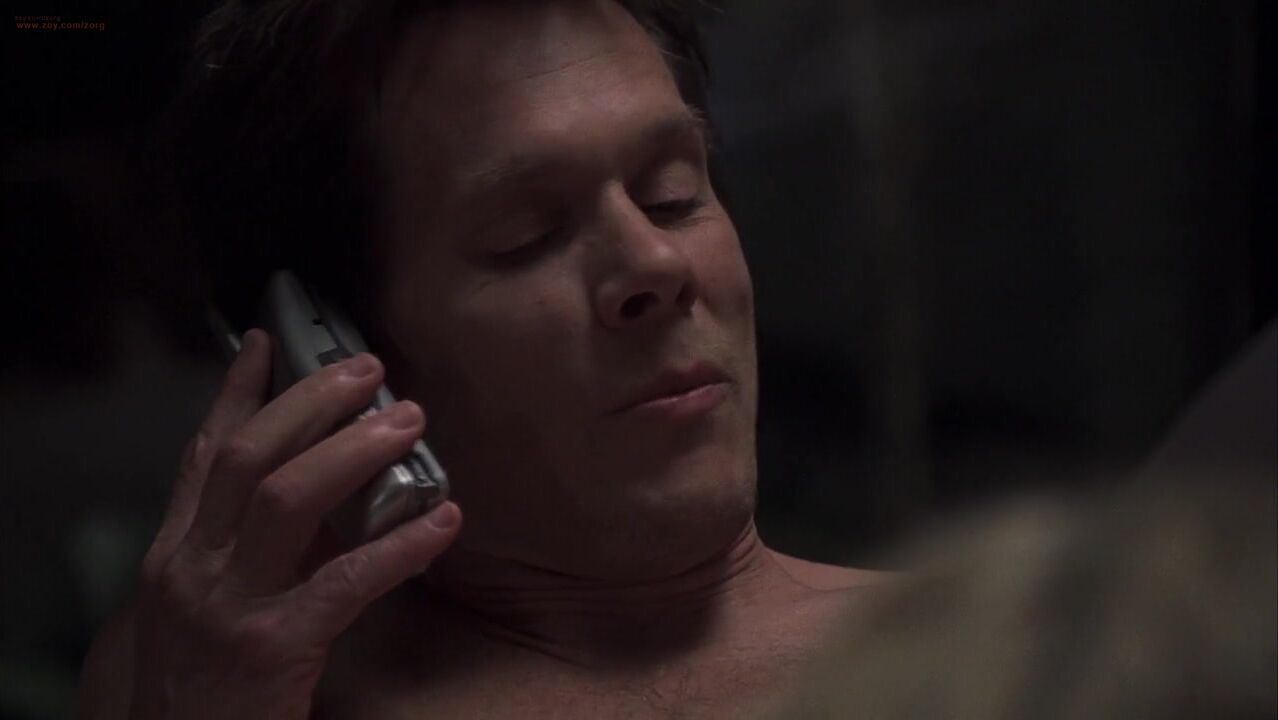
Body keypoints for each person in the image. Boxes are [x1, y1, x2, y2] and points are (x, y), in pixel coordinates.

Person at [78, 1, 889, 718]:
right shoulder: (205, 681)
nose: (656, 263)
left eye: (671, 195)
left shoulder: (951, 658)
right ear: (330, 350)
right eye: (526, 237)